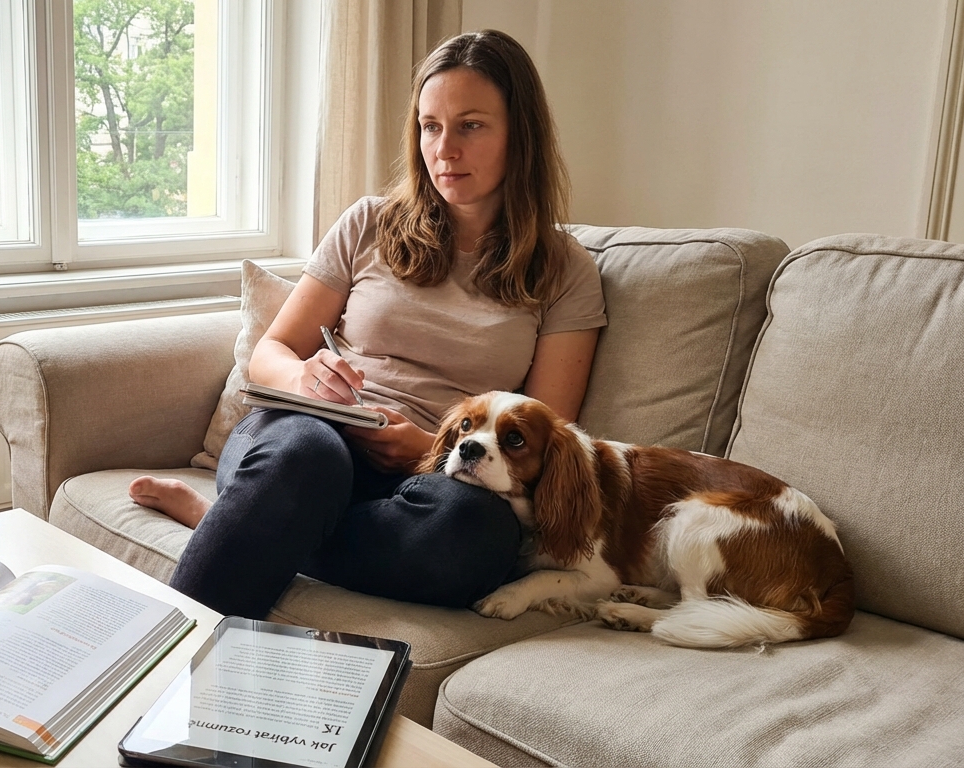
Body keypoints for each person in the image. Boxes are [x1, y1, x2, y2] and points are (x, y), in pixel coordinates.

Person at [130, 30, 607, 620]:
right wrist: (307, 380)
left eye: (471, 125)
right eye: (430, 126)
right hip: (304, 445)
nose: (445, 149)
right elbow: (273, 349)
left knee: (475, 538)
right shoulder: (370, 224)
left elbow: (546, 433)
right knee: (305, 455)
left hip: (440, 475)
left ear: (520, 133)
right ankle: (171, 656)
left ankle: (249, 527)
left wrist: (429, 452)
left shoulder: (565, 269)